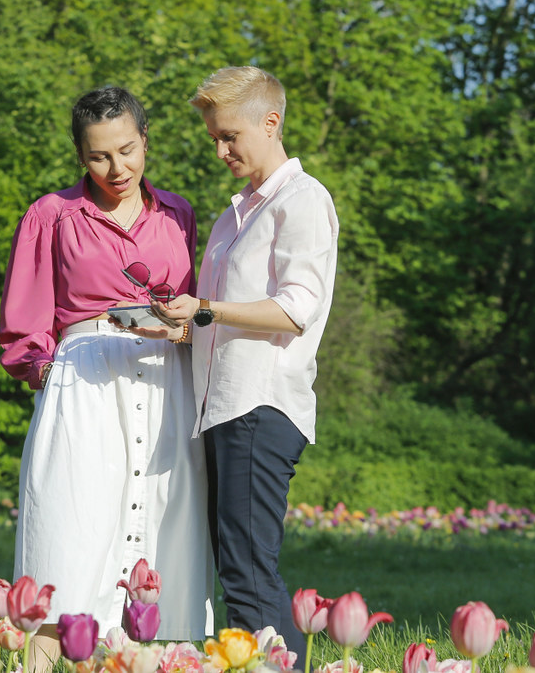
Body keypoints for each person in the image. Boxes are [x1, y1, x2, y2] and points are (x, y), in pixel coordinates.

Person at [0, 86, 214, 669]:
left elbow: (189, 306)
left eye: (127, 150)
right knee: (71, 521)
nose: (117, 169)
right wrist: (52, 375)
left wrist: (178, 332)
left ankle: (145, 659)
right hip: (86, 377)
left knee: (160, 521)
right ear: (79, 156)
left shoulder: (178, 213)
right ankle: (43, 660)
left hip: (165, 377)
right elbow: (24, 320)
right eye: (99, 156)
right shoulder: (52, 215)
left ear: (146, 140)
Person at [149, 66, 339, 668]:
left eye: (230, 135)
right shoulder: (237, 215)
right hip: (223, 406)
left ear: (271, 122)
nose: (221, 149)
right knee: (237, 565)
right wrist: (183, 327)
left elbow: (294, 309)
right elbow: (222, 321)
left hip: (260, 405)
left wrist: (204, 309)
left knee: (250, 569)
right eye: (213, 138)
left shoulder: (301, 201)